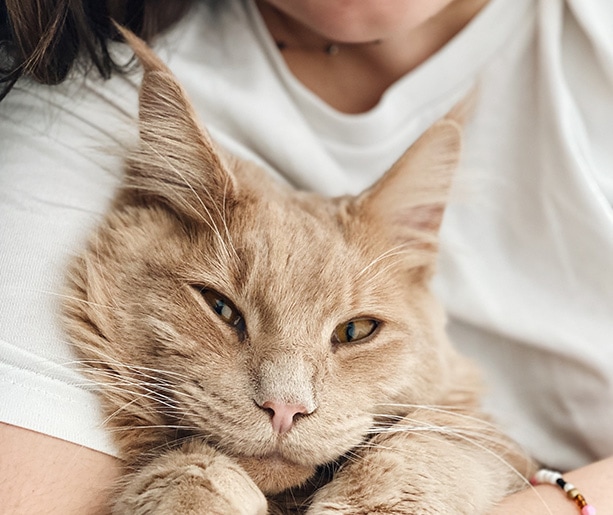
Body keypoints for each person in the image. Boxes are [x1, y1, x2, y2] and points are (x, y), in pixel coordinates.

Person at [1, 0, 612, 513]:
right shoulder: (77, 111)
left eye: (355, 330)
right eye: (222, 309)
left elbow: (465, 431)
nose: (287, 398)